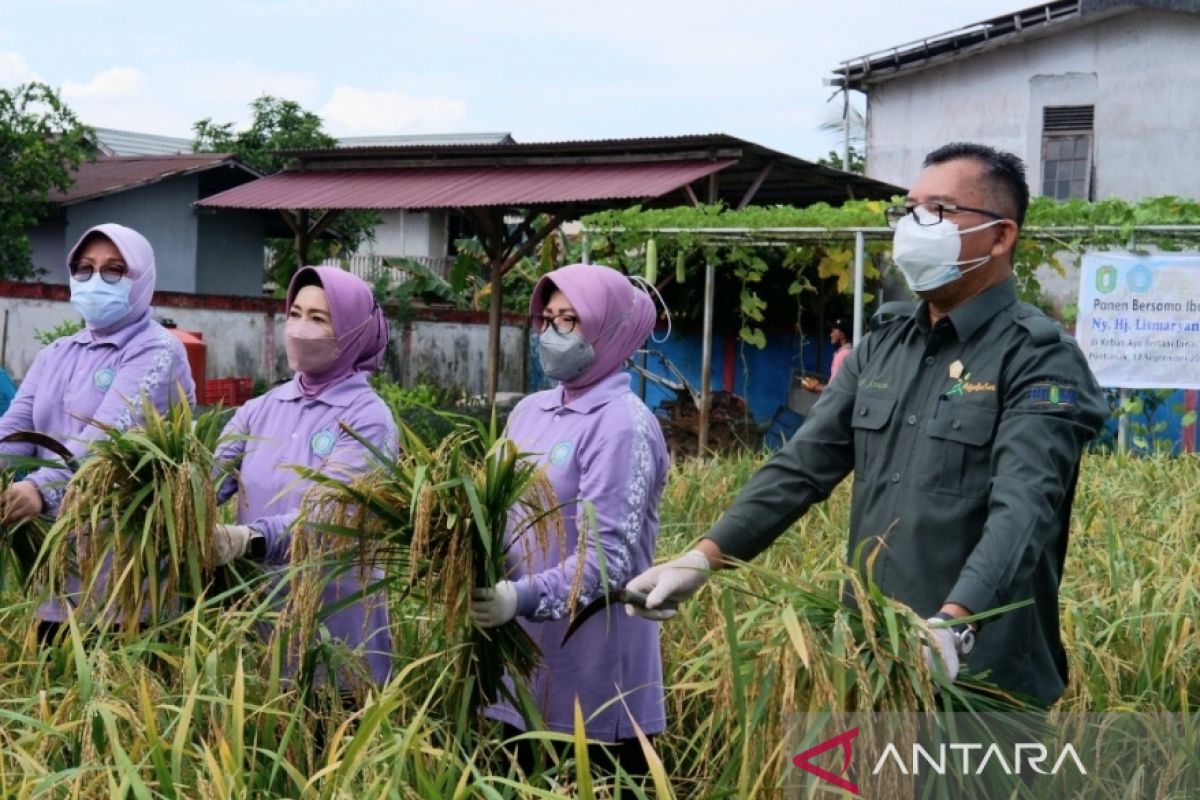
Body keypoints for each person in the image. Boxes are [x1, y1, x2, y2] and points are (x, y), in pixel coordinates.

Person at [627, 143, 1107, 706]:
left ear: (1001, 237)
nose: (915, 227)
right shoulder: (882, 346)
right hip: (870, 655)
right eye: (909, 211)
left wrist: (956, 622)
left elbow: (1025, 507)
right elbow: (802, 466)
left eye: (940, 211)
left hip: (981, 673)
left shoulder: (1037, 357)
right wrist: (703, 557)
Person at [469, 263, 670, 774]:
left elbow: (609, 560)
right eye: (548, 319)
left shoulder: (622, 424)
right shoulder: (530, 411)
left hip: (596, 683)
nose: (554, 333)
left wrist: (519, 596)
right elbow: (492, 507)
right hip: (519, 667)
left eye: (571, 320)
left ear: (607, 329)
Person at [0, 223, 196, 635]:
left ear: (141, 278)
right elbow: (13, 430)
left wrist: (39, 488)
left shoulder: (157, 351)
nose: (95, 281)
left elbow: (106, 441)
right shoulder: (57, 353)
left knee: (125, 693)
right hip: (58, 569)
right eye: (84, 269)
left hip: (129, 582)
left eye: (114, 270)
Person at [208, 266, 396, 694]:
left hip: (339, 634)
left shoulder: (368, 420)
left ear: (352, 331)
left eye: (319, 318)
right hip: (260, 627)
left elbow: (332, 515)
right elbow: (209, 478)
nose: (301, 328)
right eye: (295, 313)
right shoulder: (262, 408)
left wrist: (245, 540)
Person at [801, 318, 854, 393]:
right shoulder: (851, 351)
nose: (831, 334)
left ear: (842, 334)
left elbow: (835, 389)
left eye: (833, 331)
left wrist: (816, 387)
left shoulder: (842, 354)